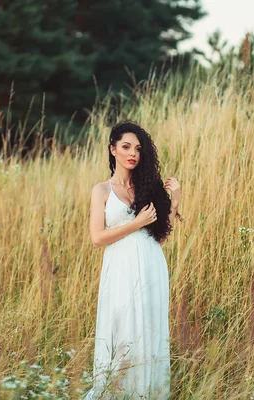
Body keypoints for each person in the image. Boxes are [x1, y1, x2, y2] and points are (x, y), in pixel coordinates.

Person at [83, 121, 182, 399]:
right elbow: (97, 238)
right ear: (113, 149)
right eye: (126, 147)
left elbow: (158, 237)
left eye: (138, 149)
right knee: (123, 333)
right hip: (121, 271)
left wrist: (174, 203)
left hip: (151, 267)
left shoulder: (147, 189)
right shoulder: (101, 190)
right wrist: (136, 223)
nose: (132, 154)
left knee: (149, 333)